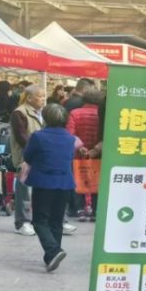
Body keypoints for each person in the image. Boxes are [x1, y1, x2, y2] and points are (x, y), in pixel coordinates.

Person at [22, 104, 76, 272]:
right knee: (56, 221)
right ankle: (51, 256)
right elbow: (69, 157)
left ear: (45, 118)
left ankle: (53, 251)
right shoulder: (70, 138)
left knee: (39, 220)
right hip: (65, 182)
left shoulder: (38, 136)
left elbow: (27, 156)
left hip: (44, 182)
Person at [66, 90, 104, 221]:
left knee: (78, 179)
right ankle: (95, 210)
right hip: (98, 153)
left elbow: (70, 134)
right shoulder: (103, 114)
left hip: (79, 154)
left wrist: (80, 147)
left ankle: (80, 209)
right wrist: (96, 149)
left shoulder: (74, 113)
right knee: (97, 181)